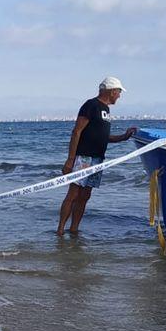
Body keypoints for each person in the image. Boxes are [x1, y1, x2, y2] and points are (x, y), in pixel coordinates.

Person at [56, 76, 138, 236]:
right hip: (83, 157)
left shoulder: (106, 110)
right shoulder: (91, 105)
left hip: (98, 159)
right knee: (73, 194)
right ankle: (60, 231)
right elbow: (77, 131)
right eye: (119, 92)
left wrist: (123, 137)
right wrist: (70, 160)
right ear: (112, 91)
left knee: (85, 196)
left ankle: (74, 230)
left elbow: (103, 136)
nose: (119, 96)